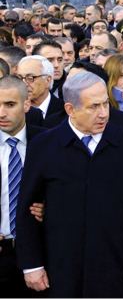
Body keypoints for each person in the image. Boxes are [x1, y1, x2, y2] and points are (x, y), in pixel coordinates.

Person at [16, 72, 123, 297]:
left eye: (105, 105)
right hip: (59, 268)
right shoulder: (43, 146)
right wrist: (32, 264)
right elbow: (26, 209)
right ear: (70, 109)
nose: (103, 114)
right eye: (93, 107)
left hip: (113, 266)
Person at [0, 76, 46, 297]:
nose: (1, 113)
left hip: (42, 254)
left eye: (10, 104)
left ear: (27, 104)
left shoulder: (48, 143)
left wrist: (51, 206)